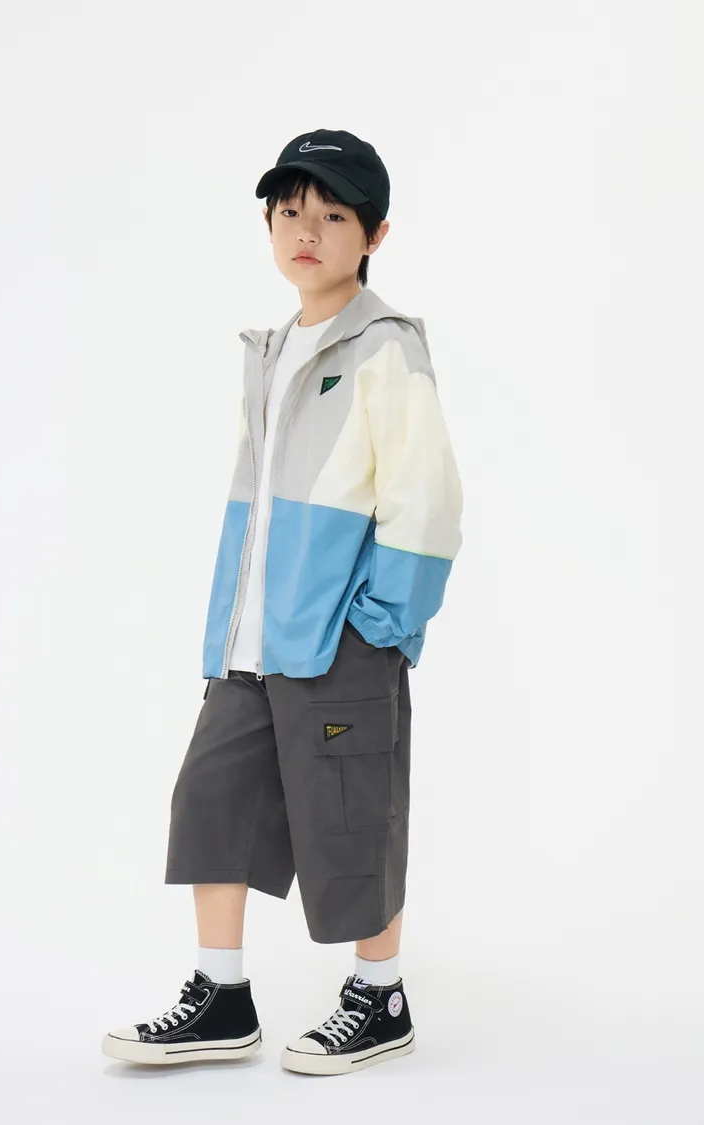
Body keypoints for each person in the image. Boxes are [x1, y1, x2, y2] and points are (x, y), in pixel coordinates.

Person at [101, 128, 464, 1076]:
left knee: (352, 816)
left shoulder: (385, 348)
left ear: (374, 235)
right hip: (251, 641)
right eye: (290, 212)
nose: (307, 231)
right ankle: (222, 996)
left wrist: (380, 627)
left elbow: (428, 502)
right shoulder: (271, 350)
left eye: (333, 215)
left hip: (341, 639)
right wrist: (232, 623)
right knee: (210, 798)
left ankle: (380, 996)